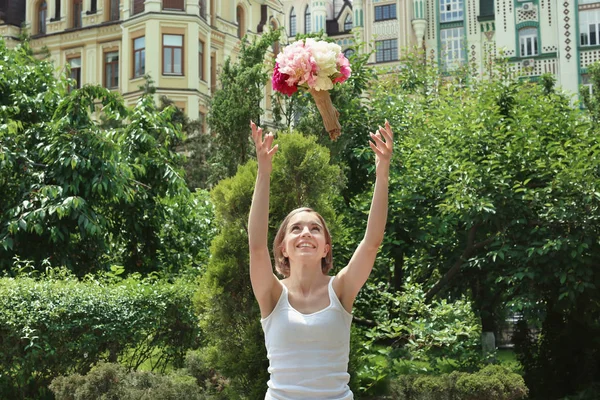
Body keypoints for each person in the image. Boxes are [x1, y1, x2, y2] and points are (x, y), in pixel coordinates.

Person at [248, 120, 393, 400]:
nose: (306, 233)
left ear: (326, 248)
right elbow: (255, 246)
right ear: (282, 248)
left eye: (315, 228)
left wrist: (382, 173)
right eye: (296, 228)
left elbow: (372, 242)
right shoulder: (272, 294)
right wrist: (263, 172)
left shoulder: (340, 289)